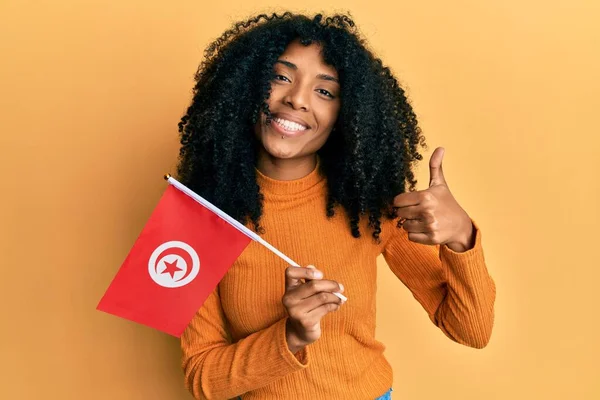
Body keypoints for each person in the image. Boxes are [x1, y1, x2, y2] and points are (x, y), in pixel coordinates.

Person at [176, 11, 496, 400]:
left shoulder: (369, 205)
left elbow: (472, 331)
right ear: (245, 85)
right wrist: (289, 336)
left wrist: (462, 236)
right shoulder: (192, 217)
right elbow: (201, 380)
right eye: (280, 77)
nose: (296, 99)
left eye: (324, 91)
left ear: (346, 116)